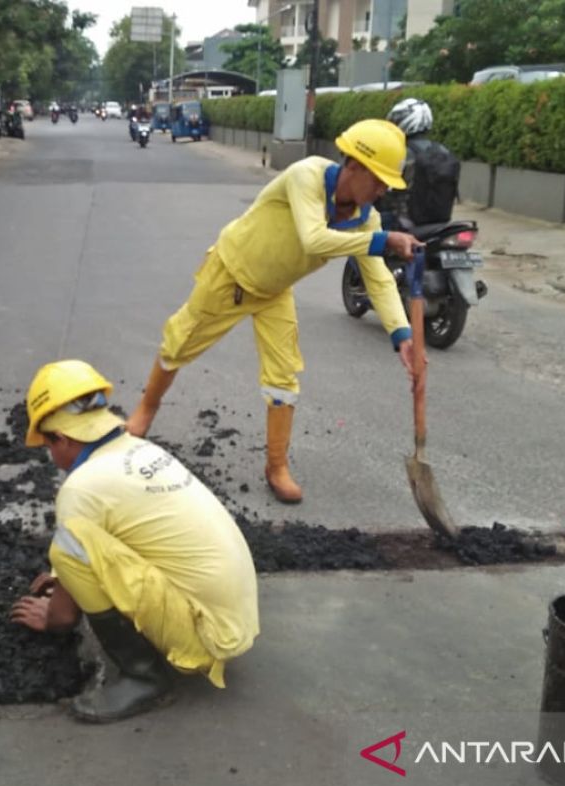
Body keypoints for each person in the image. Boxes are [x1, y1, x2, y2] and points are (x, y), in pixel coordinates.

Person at [125, 119, 423, 504]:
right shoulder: (307, 176)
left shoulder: (366, 218)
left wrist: (402, 336)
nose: (383, 190)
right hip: (231, 273)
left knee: (284, 375)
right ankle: (146, 409)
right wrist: (384, 241)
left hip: (274, 291)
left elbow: (378, 279)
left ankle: (276, 465)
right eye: (379, 180)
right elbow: (313, 238)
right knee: (178, 342)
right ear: (353, 166)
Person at [10, 360, 259, 723]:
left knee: (67, 547)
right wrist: (66, 583)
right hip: (236, 616)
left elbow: (67, 603)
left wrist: (56, 613)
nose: (51, 456)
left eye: (48, 445)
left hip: (207, 635)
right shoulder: (140, 451)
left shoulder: (80, 488)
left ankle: (145, 676)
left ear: (61, 438)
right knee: (80, 543)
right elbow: (121, 536)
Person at [376, 98, 461, 231]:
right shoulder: (442, 150)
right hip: (441, 221)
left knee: (366, 235)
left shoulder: (402, 152)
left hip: (402, 221)